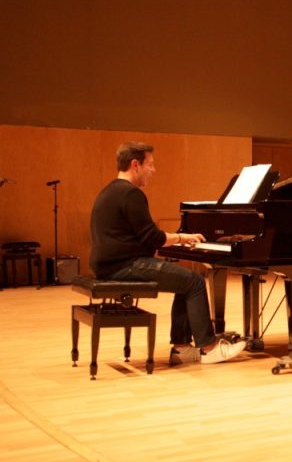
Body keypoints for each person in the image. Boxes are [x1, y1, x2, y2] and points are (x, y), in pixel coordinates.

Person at [89, 142, 247, 366]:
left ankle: (181, 348)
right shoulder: (131, 194)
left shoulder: (110, 190)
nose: (153, 170)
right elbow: (153, 238)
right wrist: (183, 237)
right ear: (135, 165)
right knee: (194, 283)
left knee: (184, 280)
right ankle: (209, 348)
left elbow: (141, 238)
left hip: (110, 264)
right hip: (125, 266)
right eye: (150, 165)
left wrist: (173, 240)